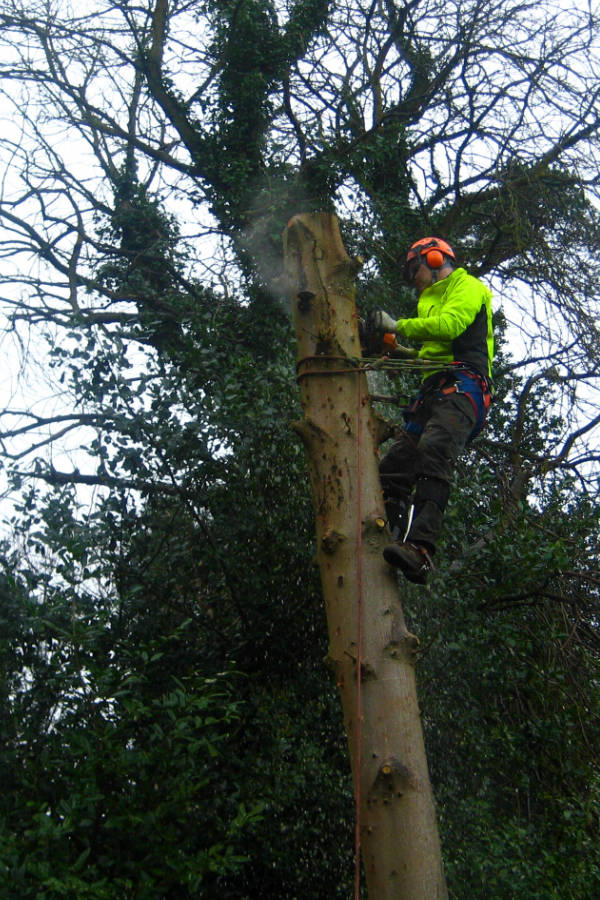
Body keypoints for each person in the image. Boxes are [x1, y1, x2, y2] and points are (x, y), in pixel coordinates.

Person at [372, 236, 494, 584]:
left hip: (463, 389)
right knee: (396, 466)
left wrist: (398, 326)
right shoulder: (429, 299)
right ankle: (387, 532)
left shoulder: (468, 286)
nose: (413, 276)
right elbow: (433, 353)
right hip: (435, 390)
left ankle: (421, 550)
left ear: (436, 257)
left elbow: (452, 326)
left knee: (434, 451)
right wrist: (399, 349)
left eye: (416, 267)